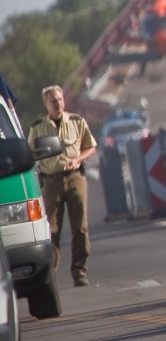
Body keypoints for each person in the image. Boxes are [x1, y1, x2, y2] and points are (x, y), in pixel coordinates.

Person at [28, 85, 97, 287]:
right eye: (53, 100)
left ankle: (79, 270)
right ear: (46, 104)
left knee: (81, 227)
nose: (58, 103)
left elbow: (91, 146)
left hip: (75, 176)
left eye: (60, 99)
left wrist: (78, 159)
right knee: (51, 230)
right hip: (51, 180)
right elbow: (29, 154)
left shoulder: (76, 121)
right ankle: (51, 274)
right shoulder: (38, 127)